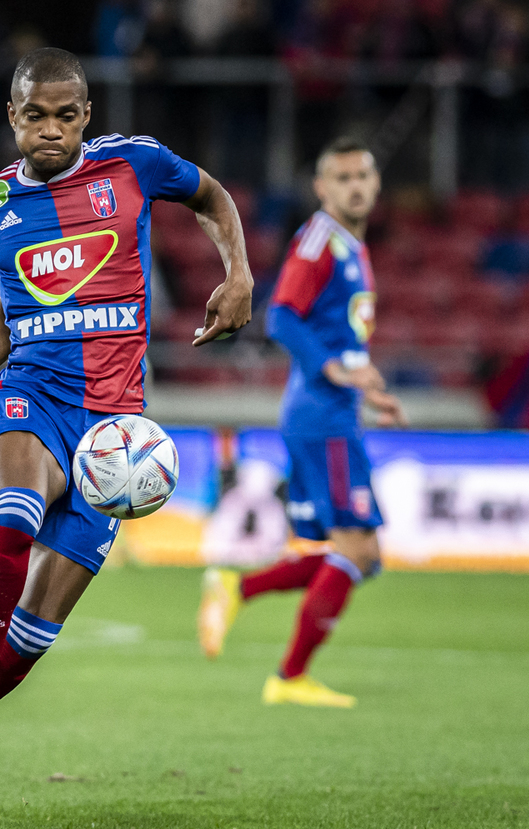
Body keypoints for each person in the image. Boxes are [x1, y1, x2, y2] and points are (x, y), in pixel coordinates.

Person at [0, 47, 253, 829]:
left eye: (66, 116)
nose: (51, 130)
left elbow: (213, 197)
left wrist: (236, 273)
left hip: (114, 431)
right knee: (13, 516)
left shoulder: (134, 165)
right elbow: (15, 309)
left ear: (86, 116)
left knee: (29, 640)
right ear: (12, 116)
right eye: (35, 115)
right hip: (32, 397)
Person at [196, 137, 407, 709]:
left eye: (363, 176)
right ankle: (289, 677)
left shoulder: (351, 245)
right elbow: (283, 317)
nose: (355, 187)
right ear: (321, 188)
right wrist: (336, 371)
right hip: (322, 418)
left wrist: (368, 389)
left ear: (376, 183)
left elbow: (340, 335)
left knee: (360, 553)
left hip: (332, 414)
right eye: (342, 178)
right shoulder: (320, 241)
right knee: (355, 549)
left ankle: (238, 586)